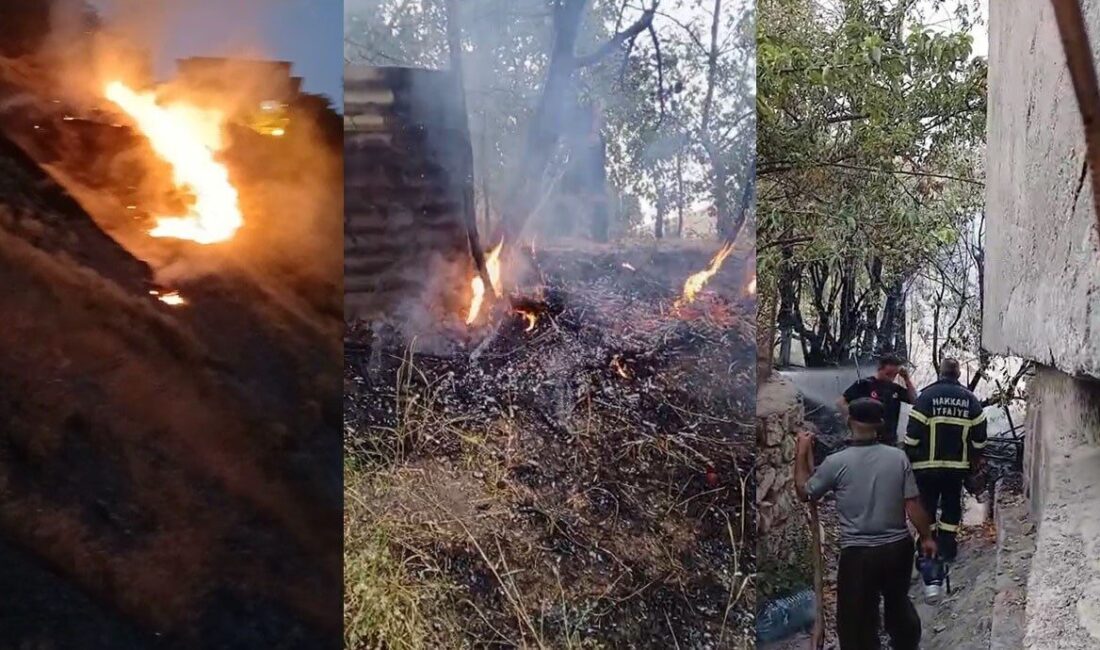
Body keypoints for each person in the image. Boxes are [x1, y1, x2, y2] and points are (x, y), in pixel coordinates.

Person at [795, 398, 936, 650]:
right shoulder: (898, 458)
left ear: (849, 421)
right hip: (897, 549)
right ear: (880, 424)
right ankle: (906, 645)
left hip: (858, 554)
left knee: (855, 620)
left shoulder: (836, 463)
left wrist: (801, 451)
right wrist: (926, 537)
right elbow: (912, 504)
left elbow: (805, 492)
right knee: (898, 603)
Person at [904, 357, 987, 562]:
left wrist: (909, 456)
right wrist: (974, 460)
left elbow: (912, 436)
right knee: (951, 506)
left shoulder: (926, 397)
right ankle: (948, 548)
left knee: (927, 506)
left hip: (925, 467)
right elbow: (979, 438)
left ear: (940, 373)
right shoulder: (970, 400)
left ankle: (927, 546)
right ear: (958, 374)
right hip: (956, 469)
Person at [838, 354, 917, 445]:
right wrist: (854, 418)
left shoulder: (895, 389)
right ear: (880, 368)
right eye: (888, 374)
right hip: (866, 440)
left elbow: (914, 400)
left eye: (894, 375)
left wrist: (907, 379)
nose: (891, 378)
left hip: (889, 441)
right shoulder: (864, 384)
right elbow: (840, 402)